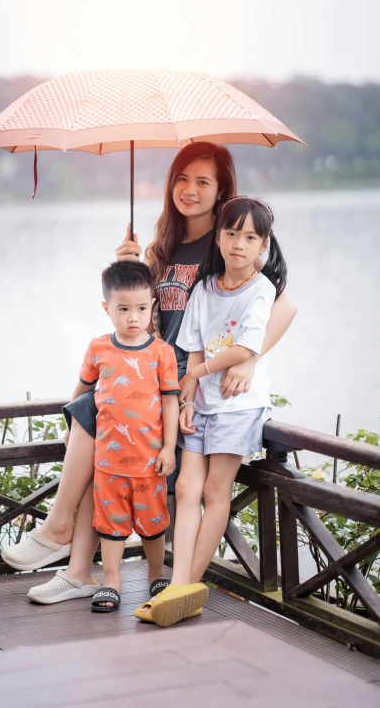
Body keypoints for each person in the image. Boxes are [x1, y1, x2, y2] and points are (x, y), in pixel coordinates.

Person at [1, 142, 297, 604]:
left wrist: (249, 358)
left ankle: (68, 545)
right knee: (96, 427)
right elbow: (138, 313)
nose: (189, 190)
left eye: (203, 182)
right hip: (148, 370)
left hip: (181, 382)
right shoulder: (164, 244)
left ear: (222, 192)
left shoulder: (228, 244)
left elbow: (282, 304)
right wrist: (130, 266)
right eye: (182, 178)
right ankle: (77, 566)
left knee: (95, 423)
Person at [134, 196, 287, 626]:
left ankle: (186, 588)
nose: (239, 243)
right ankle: (178, 582)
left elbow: (244, 348)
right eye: (231, 233)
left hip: (239, 406)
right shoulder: (204, 287)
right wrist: (186, 397)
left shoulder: (262, 289)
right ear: (217, 237)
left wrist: (195, 373)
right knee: (186, 490)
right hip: (200, 405)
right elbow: (195, 343)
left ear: (263, 245)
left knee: (215, 493)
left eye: (250, 237)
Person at [69, 260, 180, 612]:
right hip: (109, 461)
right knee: (111, 523)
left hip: (151, 461)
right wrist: (73, 432)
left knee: (153, 523)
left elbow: (170, 403)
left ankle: (155, 574)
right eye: (123, 309)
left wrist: (169, 449)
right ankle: (112, 581)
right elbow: (80, 394)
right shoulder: (98, 348)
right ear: (107, 308)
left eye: (142, 309)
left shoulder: (161, 352)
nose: (134, 317)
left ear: (152, 306)